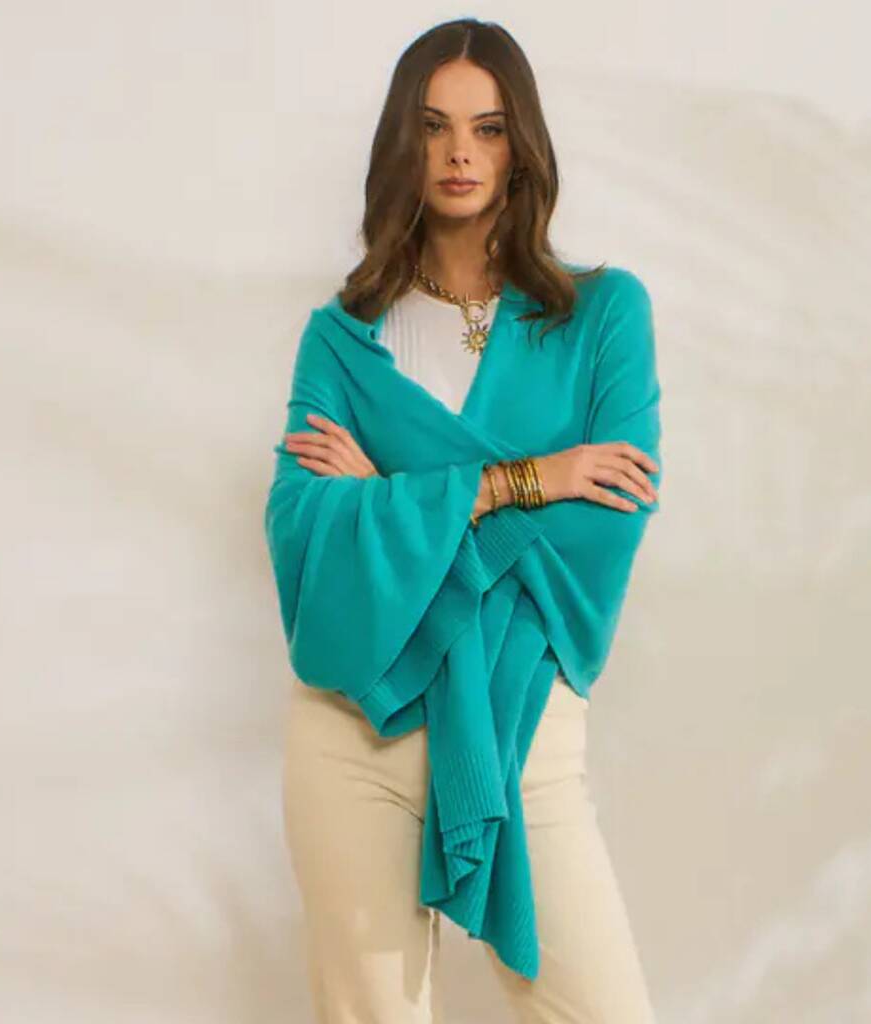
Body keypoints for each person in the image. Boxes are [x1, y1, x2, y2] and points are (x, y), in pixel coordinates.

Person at [269, 17, 662, 1023]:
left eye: (487, 128)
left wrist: (389, 499)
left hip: (523, 725)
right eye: (434, 126)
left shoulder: (602, 316)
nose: (459, 153)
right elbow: (305, 542)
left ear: (520, 145)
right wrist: (524, 479)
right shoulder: (342, 340)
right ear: (401, 144)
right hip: (357, 731)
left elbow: (603, 530)